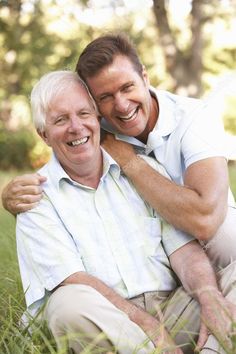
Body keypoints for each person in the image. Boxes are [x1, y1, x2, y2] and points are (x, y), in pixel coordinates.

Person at [14, 70, 236, 354]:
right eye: (60, 120)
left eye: (84, 113)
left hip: (174, 312)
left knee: (223, 281)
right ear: (44, 134)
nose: (75, 127)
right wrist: (151, 330)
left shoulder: (142, 172)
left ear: (98, 119)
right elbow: (74, 279)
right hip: (111, 323)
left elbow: (183, 250)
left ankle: (211, 349)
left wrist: (207, 297)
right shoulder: (35, 199)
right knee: (66, 305)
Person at [2, 33, 236, 269]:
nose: (122, 105)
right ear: (94, 104)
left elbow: (205, 220)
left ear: (145, 77)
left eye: (127, 87)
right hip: (149, 239)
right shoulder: (92, 128)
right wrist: (12, 196)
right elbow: (62, 158)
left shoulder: (194, 117)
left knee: (228, 240)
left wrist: (129, 160)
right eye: (106, 97)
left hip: (209, 228)